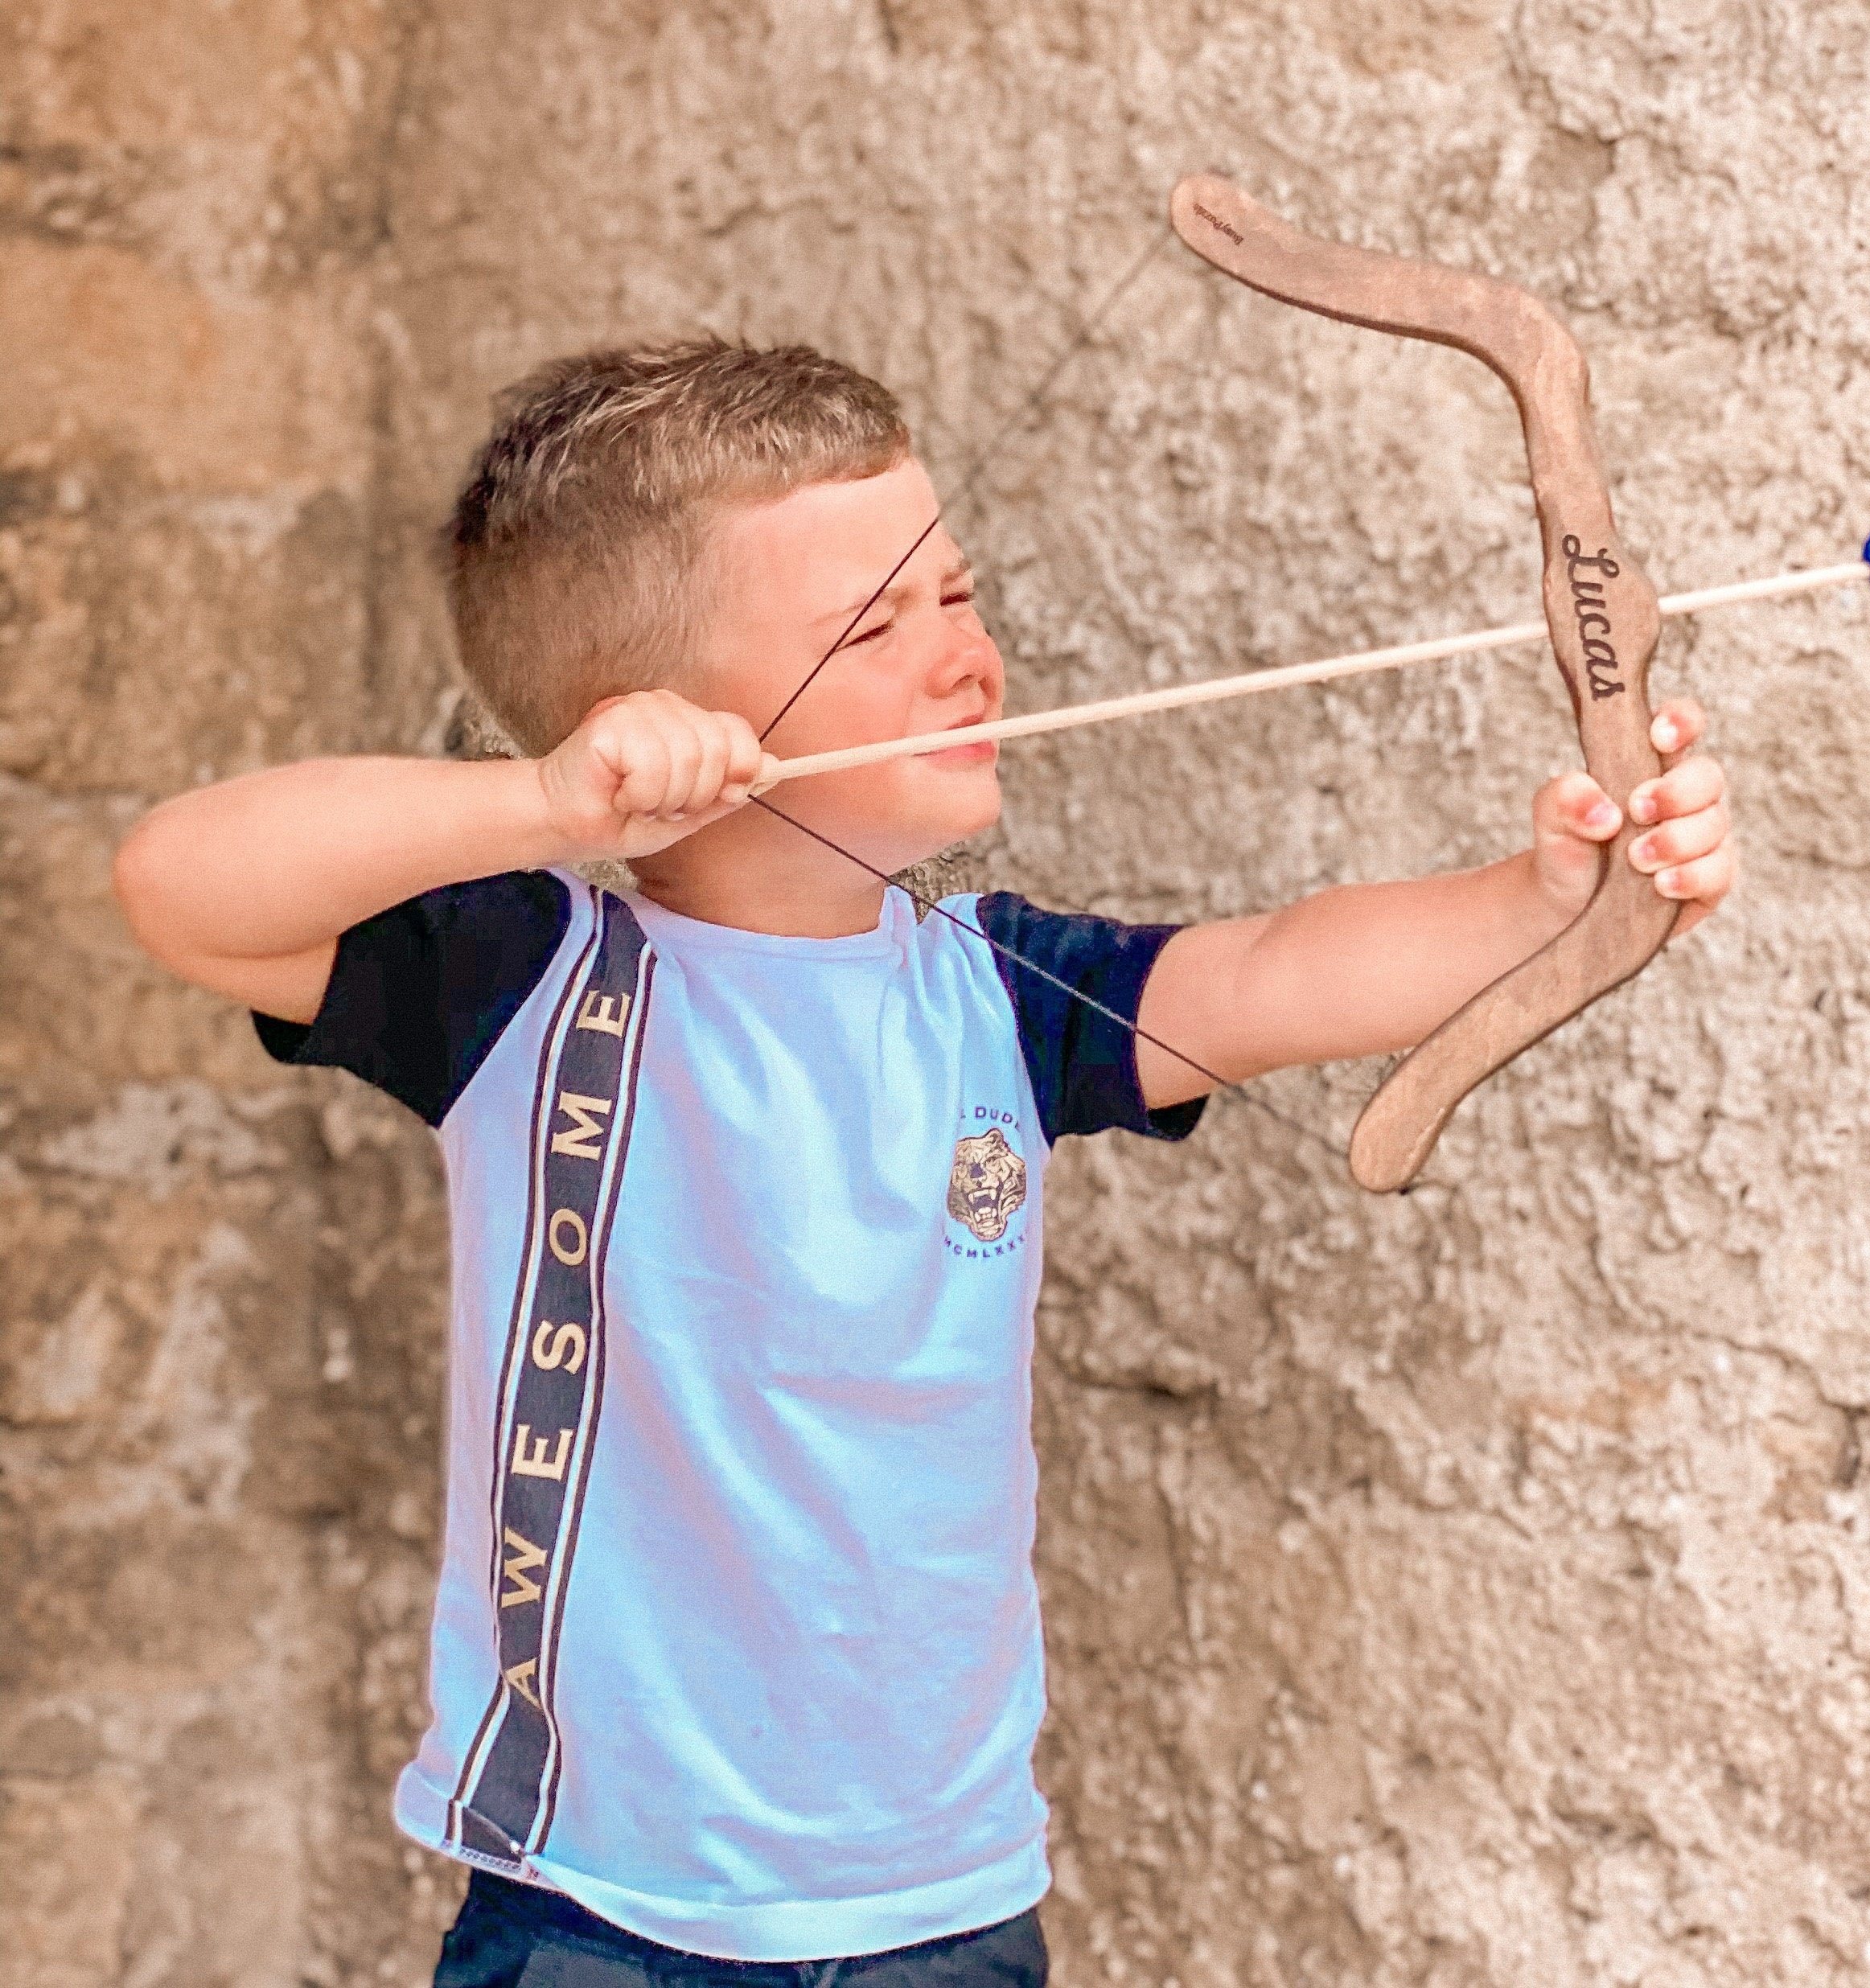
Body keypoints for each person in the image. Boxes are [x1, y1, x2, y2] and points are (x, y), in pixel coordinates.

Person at [112, 339, 1733, 1986]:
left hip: (942, 1911)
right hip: (601, 1912)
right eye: (876, 626)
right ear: (657, 720)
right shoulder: (520, 974)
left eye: (955, 596)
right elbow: (182, 884)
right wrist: (544, 802)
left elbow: (1282, 975)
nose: (967, 657)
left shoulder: (998, 992)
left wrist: (1556, 899)